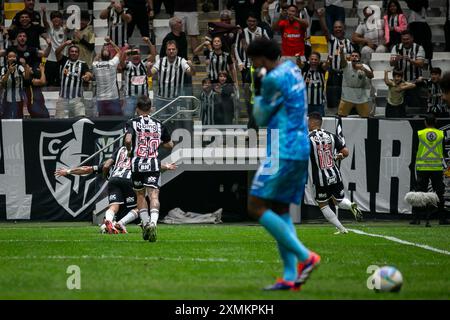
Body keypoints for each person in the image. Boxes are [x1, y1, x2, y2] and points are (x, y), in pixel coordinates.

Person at [246, 38, 320, 291]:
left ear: (260, 59)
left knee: (255, 205)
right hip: (300, 145)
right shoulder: (293, 69)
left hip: (283, 148)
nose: (252, 65)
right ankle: (290, 277)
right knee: (280, 209)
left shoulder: (272, 80)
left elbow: (260, 117)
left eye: (253, 61)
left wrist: (257, 89)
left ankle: (305, 256)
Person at [54, 145, 176, 234]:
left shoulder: (119, 150)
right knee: (140, 206)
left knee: (113, 206)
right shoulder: (142, 150)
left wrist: (68, 171)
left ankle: (108, 221)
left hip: (114, 179)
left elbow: (91, 168)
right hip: (129, 179)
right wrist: (166, 166)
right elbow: (151, 164)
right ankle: (120, 223)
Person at [125, 95, 174, 242]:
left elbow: (128, 139)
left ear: (137, 109)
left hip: (137, 164)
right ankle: (153, 222)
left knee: (140, 195)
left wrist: (129, 150)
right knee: (154, 195)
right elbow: (170, 145)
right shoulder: (159, 124)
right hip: (153, 163)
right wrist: (156, 144)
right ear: (151, 108)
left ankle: (145, 223)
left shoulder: (132, 122)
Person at [307, 112, 363, 234]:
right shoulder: (331, 135)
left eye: (308, 121)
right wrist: (338, 156)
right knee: (339, 200)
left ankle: (342, 229)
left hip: (320, 178)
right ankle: (351, 205)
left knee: (323, 204)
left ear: (312, 122)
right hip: (334, 175)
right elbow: (346, 152)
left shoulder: (308, 138)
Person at [411, 113, 449, 226]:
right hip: (436, 167)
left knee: (419, 193)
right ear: (435, 122)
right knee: (439, 192)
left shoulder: (420, 134)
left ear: (425, 122)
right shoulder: (440, 134)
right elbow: (442, 151)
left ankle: (416, 218)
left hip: (422, 167)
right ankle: (442, 218)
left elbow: (415, 149)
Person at [317, 9, 354, 112]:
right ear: (333, 29)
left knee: (345, 102)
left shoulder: (349, 43)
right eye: (335, 27)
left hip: (345, 76)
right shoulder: (332, 40)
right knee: (332, 104)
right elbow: (325, 30)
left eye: (340, 27)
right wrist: (321, 17)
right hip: (332, 75)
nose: (338, 29)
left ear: (344, 28)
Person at [151, 40, 194, 112]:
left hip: (176, 99)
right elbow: (150, 73)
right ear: (166, 51)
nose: (171, 51)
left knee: (176, 122)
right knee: (161, 121)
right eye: (169, 49)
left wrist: (191, 66)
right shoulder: (160, 61)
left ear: (177, 50)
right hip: (161, 98)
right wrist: (149, 68)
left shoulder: (182, 61)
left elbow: (191, 73)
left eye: (173, 49)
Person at [390, 30, 426, 113]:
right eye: (403, 39)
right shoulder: (396, 47)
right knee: (399, 104)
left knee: (414, 104)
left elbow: (421, 64)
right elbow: (391, 63)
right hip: (400, 81)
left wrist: (409, 60)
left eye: (407, 39)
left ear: (412, 39)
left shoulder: (418, 48)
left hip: (415, 81)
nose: (405, 41)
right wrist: (396, 59)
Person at [55, 41, 93, 118]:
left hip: (77, 99)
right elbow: (57, 52)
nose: (74, 53)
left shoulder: (82, 64)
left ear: (78, 54)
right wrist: (65, 44)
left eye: (76, 52)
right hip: (63, 99)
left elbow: (88, 73)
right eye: (72, 51)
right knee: (60, 122)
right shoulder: (64, 60)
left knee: (79, 120)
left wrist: (87, 76)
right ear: (68, 53)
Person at [121, 40, 154, 117]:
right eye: (134, 53)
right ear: (130, 55)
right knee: (128, 119)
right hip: (130, 98)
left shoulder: (144, 64)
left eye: (137, 53)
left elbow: (153, 55)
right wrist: (125, 53)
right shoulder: (128, 65)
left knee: (145, 119)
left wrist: (149, 42)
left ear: (140, 55)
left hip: (144, 98)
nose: (136, 55)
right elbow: (121, 63)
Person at [338, 50, 374, 118]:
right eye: (352, 56)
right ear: (350, 58)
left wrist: (363, 69)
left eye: (356, 56)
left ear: (359, 58)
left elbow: (371, 76)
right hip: (347, 96)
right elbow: (342, 61)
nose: (354, 57)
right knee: (341, 117)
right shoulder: (346, 65)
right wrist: (341, 52)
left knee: (366, 118)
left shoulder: (364, 66)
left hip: (361, 97)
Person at [92, 37, 122, 116]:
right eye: (104, 51)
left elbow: (119, 52)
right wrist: (110, 43)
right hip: (101, 99)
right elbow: (118, 51)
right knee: (103, 122)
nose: (105, 50)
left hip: (113, 98)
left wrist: (104, 48)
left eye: (107, 50)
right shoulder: (96, 64)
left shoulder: (112, 63)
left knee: (116, 122)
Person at [0, 50, 30, 119]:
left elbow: (26, 77)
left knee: (18, 116)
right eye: (10, 57)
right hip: (7, 97)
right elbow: (3, 82)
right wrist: (8, 72)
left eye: (14, 57)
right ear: (7, 58)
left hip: (18, 97)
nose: (12, 58)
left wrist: (25, 65)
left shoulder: (20, 67)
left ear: (16, 58)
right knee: (7, 116)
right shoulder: (4, 69)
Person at [42, 7, 66, 87]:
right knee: (49, 82)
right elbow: (45, 22)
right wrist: (44, 13)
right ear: (51, 20)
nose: (56, 19)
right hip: (50, 59)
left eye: (58, 17)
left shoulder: (64, 30)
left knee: (61, 82)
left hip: (61, 59)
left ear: (61, 20)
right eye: (54, 18)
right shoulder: (49, 29)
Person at [299, 51, 329, 116]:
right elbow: (299, 64)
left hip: (319, 104)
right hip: (305, 103)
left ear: (319, 61)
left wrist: (329, 60)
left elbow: (326, 66)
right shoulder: (305, 67)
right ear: (309, 59)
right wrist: (298, 57)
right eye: (312, 59)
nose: (313, 61)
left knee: (319, 122)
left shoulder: (321, 68)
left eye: (315, 59)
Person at [173, 0, 201, 64]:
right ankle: (179, 55)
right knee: (178, 34)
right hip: (178, 9)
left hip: (192, 9)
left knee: (193, 34)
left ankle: (195, 55)